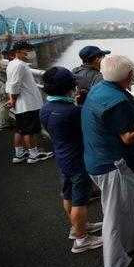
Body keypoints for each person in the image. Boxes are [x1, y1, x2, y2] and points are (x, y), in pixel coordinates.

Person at [81, 54, 134, 267]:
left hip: (96, 159)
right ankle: (115, 265)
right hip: (111, 164)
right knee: (114, 214)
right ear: (129, 75)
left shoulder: (103, 89)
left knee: (128, 203)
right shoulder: (116, 102)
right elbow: (129, 137)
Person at [39, 67, 104, 253]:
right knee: (80, 200)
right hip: (77, 160)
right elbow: (88, 128)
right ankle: (82, 240)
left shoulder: (46, 108)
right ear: (70, 86)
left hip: (62, 157)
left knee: (68, 195)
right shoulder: (71, 112)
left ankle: (77, 228)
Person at [5, 41, 53, 163]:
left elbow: (10, 84)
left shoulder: (12, 64)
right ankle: (33, 155)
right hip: (28, 103)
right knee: (29, 131)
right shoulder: (19, 65)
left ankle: (19, 154)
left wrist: (12, 99)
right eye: (27, 50)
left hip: (22, 104)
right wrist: (13, 99)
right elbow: (15, 84)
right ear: (18, 51)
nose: (30, 52)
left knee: (20, 129)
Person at [0, 45, 13, 130]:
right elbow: (10, 70)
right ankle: (3, 125)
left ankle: (4, 123)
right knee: (2, 105)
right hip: (1, 87)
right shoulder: (0, 63)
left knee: (0, 105)